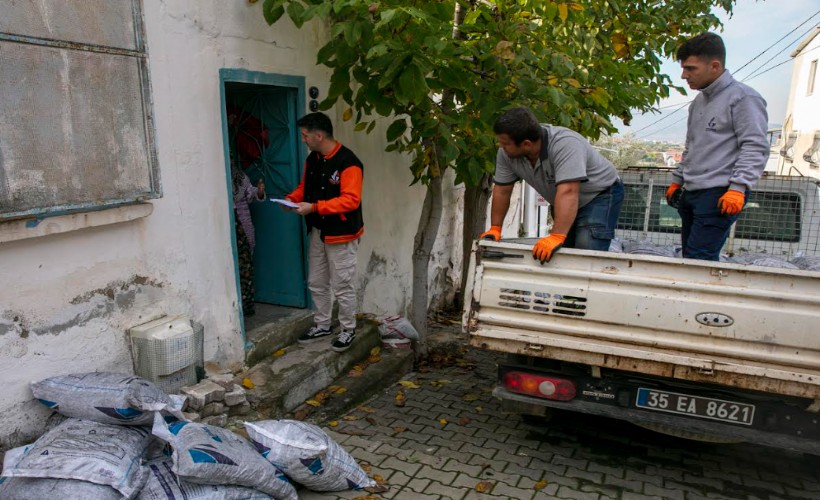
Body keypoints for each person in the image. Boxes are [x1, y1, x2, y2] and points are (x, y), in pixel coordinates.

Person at [665, 32, 769, 261]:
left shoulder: (743, 98)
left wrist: (738, 188)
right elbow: (691, 146)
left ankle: (694, 296)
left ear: (714, 66)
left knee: (699, 260)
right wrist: (678, 179)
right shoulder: (698, 102)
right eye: (683, 68)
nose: (684, 75)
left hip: (719, 194)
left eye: (691, 68)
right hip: (691, 192)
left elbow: (755, 146)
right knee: (690, 257)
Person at [480, 107, 624, 263]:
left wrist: (556, 235)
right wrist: (495, 228)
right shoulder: (507, 154)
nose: (501, 147)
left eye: (505, 143)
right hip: (563, 197)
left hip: (599, 194)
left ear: (526, 144)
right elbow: (502, 190)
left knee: (586, 249)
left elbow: (569, 191)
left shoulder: (565, 144)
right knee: (561, 253)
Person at [285, 112, 364, 353]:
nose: (303, 139)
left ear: (318, 135)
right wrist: (291, 199)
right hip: (318, 231)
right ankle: (323, 324)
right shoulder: (314, 159)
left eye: (304, 135)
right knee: (317, 282)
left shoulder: (349, 162)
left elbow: (351, 200)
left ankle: (348, 328)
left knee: (342, 284)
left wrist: (315, 207)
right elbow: (304, 187)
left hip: (341, 235)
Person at [231, 162, 265, 317]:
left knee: (244, 266)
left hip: (242, 226)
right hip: (226, 226)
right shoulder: (216, 179)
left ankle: (246, 306)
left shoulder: (240, 177)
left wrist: (259, 192)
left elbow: (251, 194)